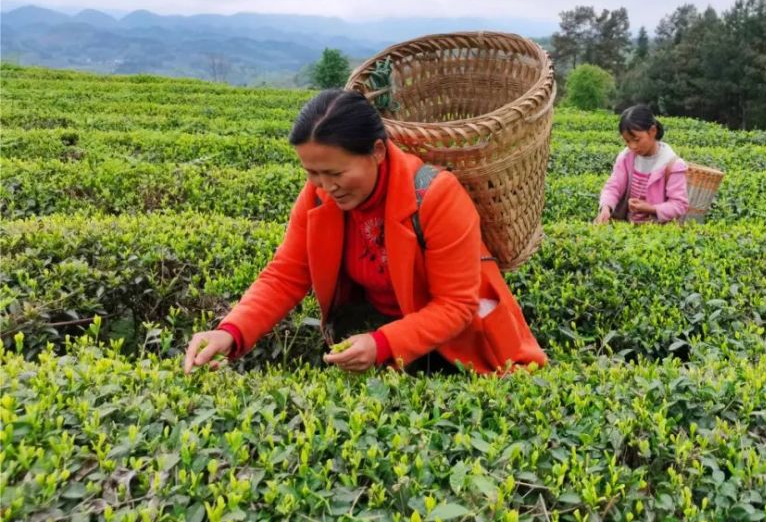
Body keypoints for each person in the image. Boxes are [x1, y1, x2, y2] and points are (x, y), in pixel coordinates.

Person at [184, 89, 547, 375]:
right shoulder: (317, 196)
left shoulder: (437, 195)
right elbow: (286, 274)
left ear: (376, 151)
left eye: (336, 173)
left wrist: (384, 344)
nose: (325, 187)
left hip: (456, 349)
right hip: (383, 331)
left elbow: (456, 305)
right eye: (313, 173)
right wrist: (230, 332)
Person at [594, 105, 689, 225]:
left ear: (652, 131)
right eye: (627, 141)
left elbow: (679, 205)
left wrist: (651, 208)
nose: (633, 146)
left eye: (637, 139)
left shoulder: (672, 165)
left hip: (658, 233)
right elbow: (614, 186)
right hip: (627, 227)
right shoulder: (626, 157)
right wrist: (606, 207)